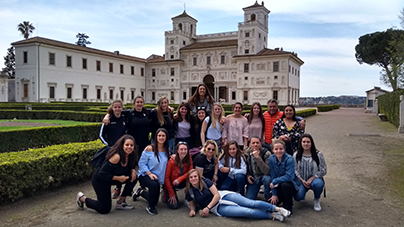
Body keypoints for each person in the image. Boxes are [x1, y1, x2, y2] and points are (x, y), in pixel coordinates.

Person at [184, 169, 291, 222]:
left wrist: (207, 208)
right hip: (217, 208)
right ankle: (272, 216)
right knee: (246, 212)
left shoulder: (205, 181)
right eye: (191, 177)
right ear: (188, 180)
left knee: (250, 203)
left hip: (223, 196)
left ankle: (277, 209)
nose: (194, 179)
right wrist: (192, 210)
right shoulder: (189, 191)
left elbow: (216, 195)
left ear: (199, 176)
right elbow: (192, 203)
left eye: (195, 176)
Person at [76, 135, 138, 214]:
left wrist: (133, 170)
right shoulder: (117, 156)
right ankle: (82, 198)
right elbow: (102, 173)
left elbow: (132, 165)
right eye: (127, 145)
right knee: (104, 209)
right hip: (101, 180)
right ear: (122, 145)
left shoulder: (131, 155)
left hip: (113, 177)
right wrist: (118, 178)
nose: (129, 147)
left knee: (134, 178)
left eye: (131, 145)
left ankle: (121, 202)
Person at [133, 128, 170, 215]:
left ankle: (141, 192)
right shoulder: (149, 148)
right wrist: (149, 174)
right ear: (156, 137)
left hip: (158, 176)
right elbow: (141, 163)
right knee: (154, 186)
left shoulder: (167, 149)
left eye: (163, 136)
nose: (161, 137)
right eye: (159, 135)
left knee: (155, 200)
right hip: (145, 174)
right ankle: (150, 207)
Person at [294, 134, 327, 211]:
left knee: (318, 184)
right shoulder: (296, 154)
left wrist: (312, 178)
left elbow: (323, 169)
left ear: (311, 143)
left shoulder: (318, 154)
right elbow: (294, 169)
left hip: (315, 179)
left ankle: (316, 199)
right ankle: (302, 193)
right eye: (304, 142)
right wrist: (302, 180)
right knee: (298, 197)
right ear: (301, 143)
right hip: (301, 180)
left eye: (308, 142)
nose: (306, 144)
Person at [268, 139, 301, 215]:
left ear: (284, 149)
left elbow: (289, 176)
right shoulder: (271, 159)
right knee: (270, 203)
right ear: (272, 150)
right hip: (277, 185)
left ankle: (288, 205)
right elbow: (272, 175)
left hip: (289, 184)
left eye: (281, 149)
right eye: (276, 149)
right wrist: (274, 194)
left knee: (285, 185)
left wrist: (275, 181)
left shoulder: (289, 159)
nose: (278, 151)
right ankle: (280, 198)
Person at [163, 142, 193, 209]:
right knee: (174, 206)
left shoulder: (189, 157)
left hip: (181, 181)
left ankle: (188, 198)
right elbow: (166, 178)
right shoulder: (171, 161)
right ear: (177, 150)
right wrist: (171, 193)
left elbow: (191, 172)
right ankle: (166, 193)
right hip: (171, 184)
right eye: (181, 149)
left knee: (193, 179)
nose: (183, 151)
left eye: (185, 149)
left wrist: (180, 179)